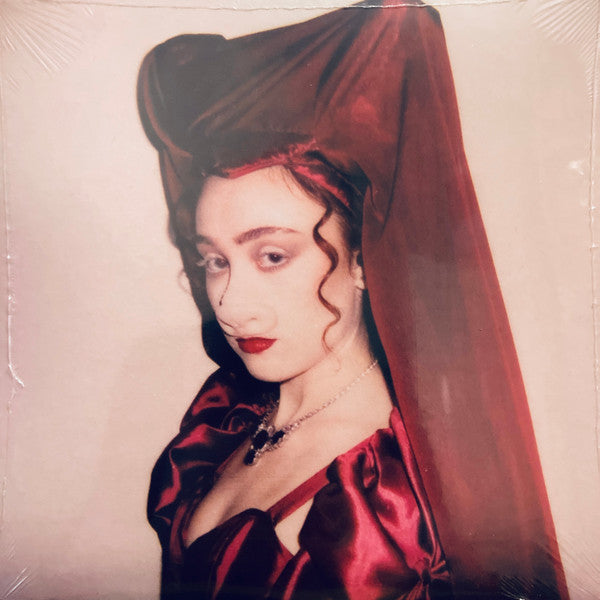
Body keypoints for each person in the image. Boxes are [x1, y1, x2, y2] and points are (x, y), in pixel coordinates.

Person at [138, 2, 570, 598]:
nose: (230, 307)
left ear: (364, 258)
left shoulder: (390, 503)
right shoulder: (227, 415)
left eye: (272, 256)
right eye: (215, 260)